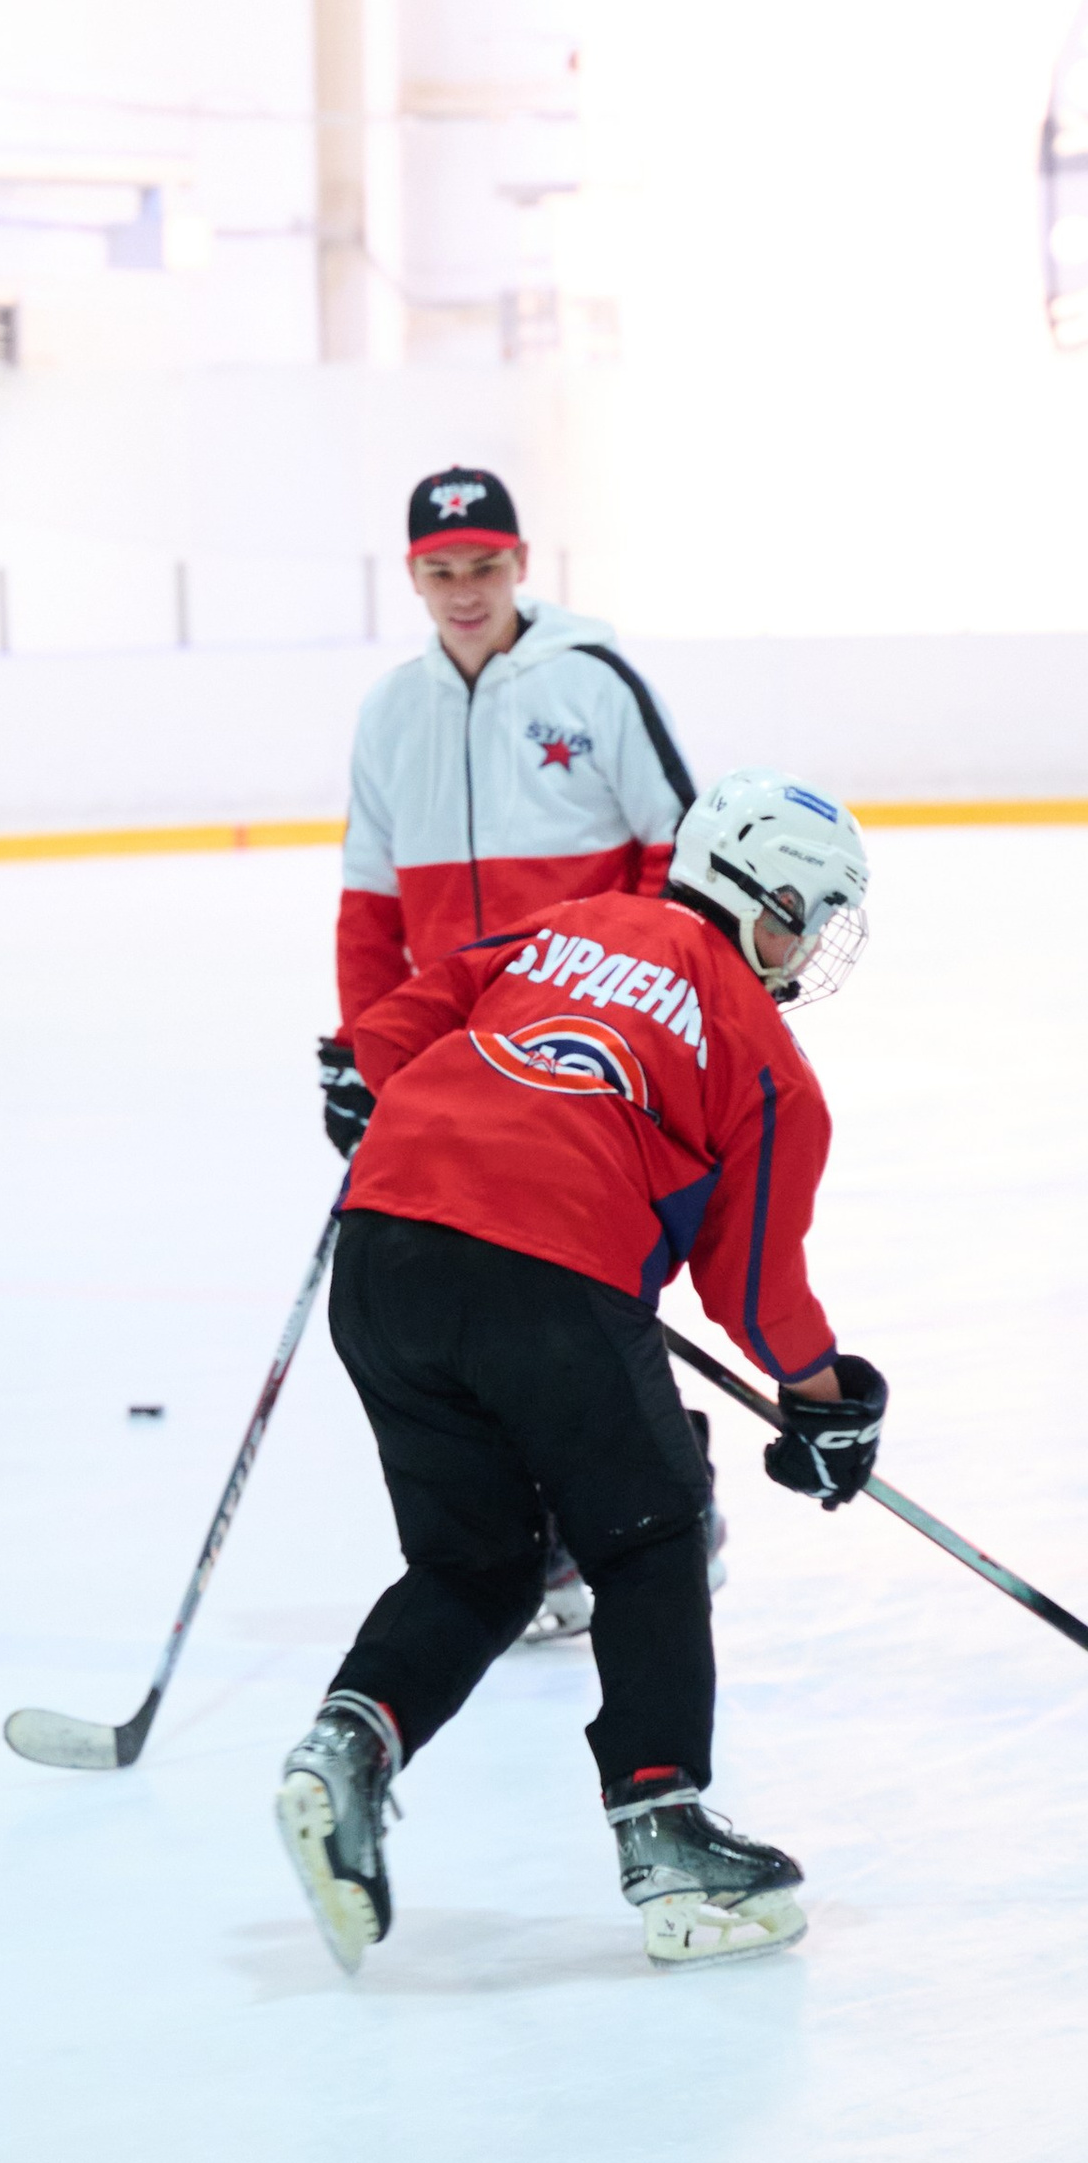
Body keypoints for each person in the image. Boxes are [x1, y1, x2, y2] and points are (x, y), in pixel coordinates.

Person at [276, 770, 886, 1977]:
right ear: (751, 891)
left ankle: (345, 1748)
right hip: (548, 1289)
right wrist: (827, 1405)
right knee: (653, 1529)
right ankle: (667, 1841)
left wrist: (366, 1071)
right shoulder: (768, 1063)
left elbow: (410, 1011)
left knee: (478, 1561)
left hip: (384, 1255)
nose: (805, 946)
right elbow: (756, 1295)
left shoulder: (572, 921)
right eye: (800, 912)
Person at [318, 468, 706, 1640]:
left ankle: (668, 1494)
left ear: (522, 562)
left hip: (584, 1046)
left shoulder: (589, 683)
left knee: (584, 1291)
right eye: (441, 570)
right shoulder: (392, 712)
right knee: (480, 1298)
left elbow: (678, 851)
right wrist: (366, 1054)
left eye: (483, 565)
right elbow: (369, 905)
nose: (464, 589)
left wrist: (630, 1011)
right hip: (455, 1061)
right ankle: (537, 1532)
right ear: (412, 576)